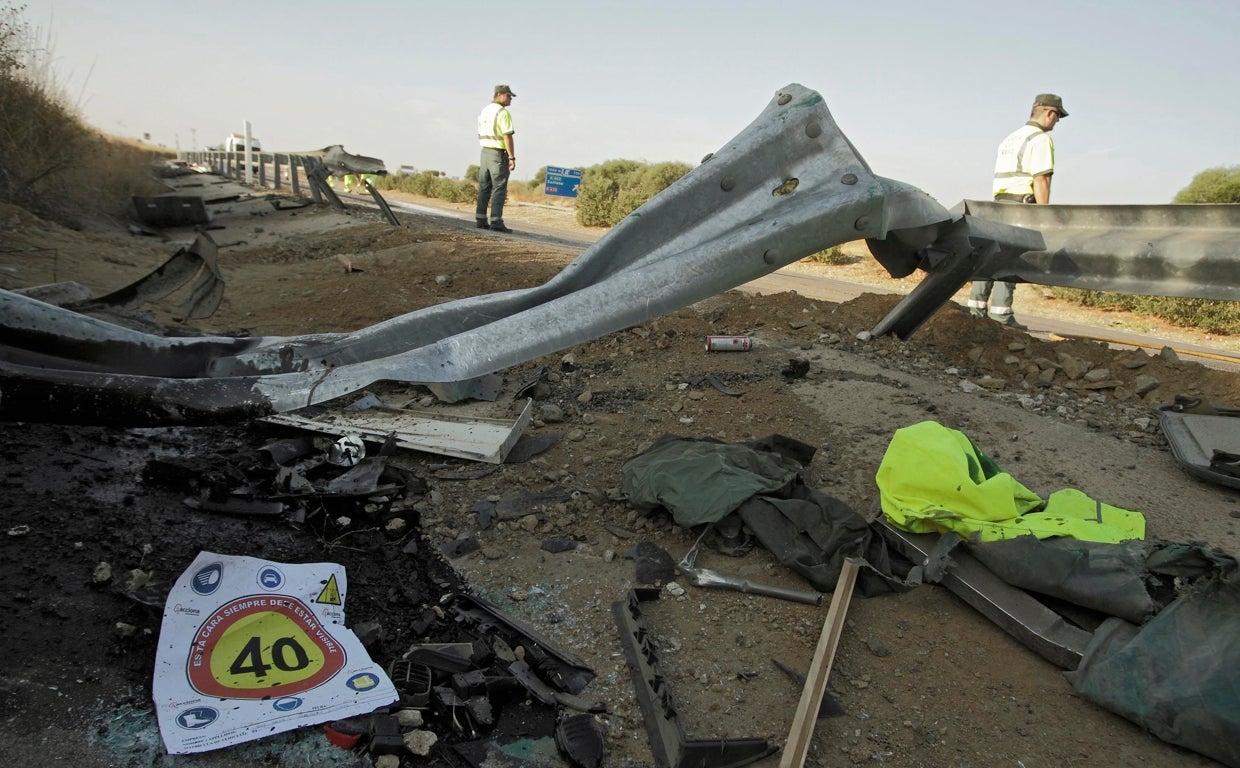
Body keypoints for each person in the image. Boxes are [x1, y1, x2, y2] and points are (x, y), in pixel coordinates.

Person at [968, 93, 1067, 328]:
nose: (1057, 122)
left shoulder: (1011, 138)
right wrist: (1043, 215)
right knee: (1009, 259)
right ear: (1050, 113)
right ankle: (1001, 315)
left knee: (989, 256)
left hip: (998, 204)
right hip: (1020, 206)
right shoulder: (1040, 139)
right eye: (1058, 117)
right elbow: (1041, 178)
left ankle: (975, 311)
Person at [475, 84, 517, 233]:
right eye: (508, 95)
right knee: (499, 187)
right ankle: (496, 221)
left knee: (484, 186)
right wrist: (511, 157)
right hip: (497, 153)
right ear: (499, 94)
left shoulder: (485, 110)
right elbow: (507, 135)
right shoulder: (502, 112)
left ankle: (480, 219)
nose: (510, 98)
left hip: (485, 152)